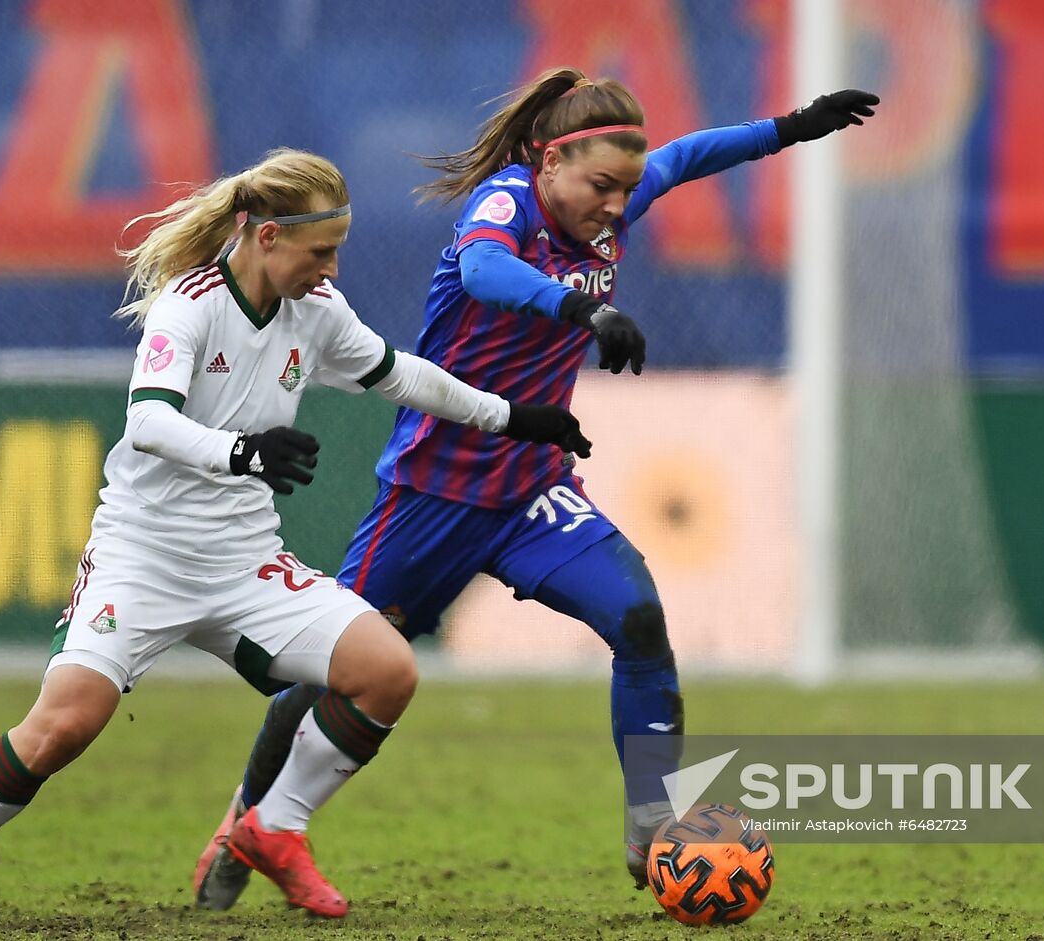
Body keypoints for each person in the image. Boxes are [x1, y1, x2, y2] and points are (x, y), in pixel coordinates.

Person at [193, 69, 879, 908]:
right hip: (430, 498)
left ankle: (652, 830)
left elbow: (690, 154)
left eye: (628, 189)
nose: (618, 206)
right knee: (322, 676)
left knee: (637, 618)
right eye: (601, 186)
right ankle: (242, 823)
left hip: (529, 493)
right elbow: (484, 272)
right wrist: (577, 309)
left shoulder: (609, 195)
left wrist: (792, 127)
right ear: (548, 163)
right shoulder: (505, 205)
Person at [0, 148, 591, 926]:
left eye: (337, 251)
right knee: (64, 725)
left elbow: (401, 374)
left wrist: (514, 418)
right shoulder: (187, 306)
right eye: (320, 251)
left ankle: (274, 826)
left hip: (244, 563)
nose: (330, 268)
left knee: (386, 669)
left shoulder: (317, 310)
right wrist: (243, 451)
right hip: (142, 559)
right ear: (264, 236)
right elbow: (147, 421)